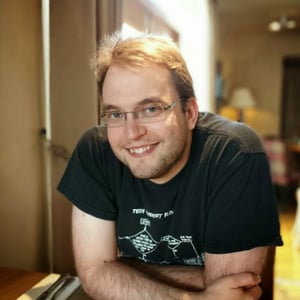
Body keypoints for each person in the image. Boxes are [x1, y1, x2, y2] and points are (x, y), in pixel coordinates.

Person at [58, 31, 283, 299]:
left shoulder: (234, 153)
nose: (132, 133)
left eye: (151, 109)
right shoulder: (95, 151)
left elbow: (234, 292)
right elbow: (94, 274)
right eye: (116, 114)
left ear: (189, 113)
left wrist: (118, 269)